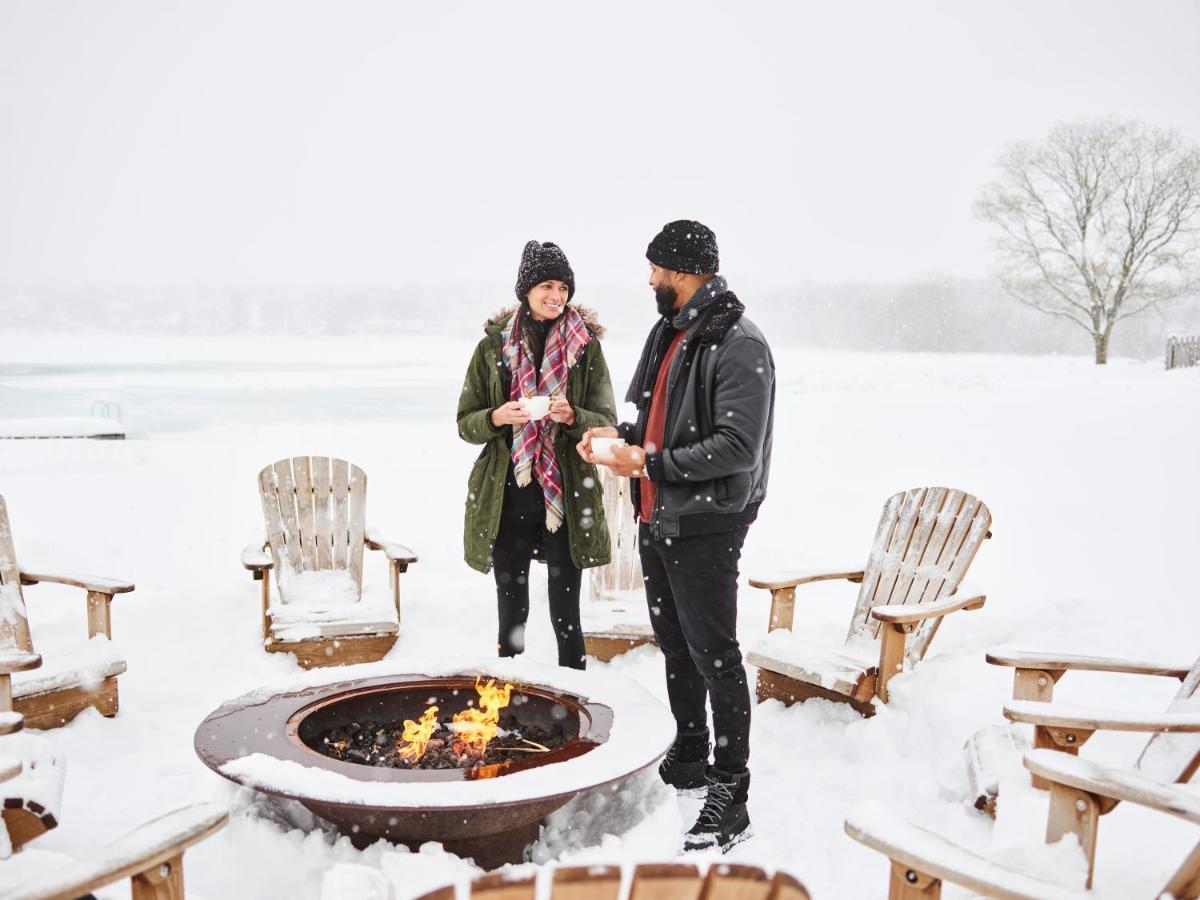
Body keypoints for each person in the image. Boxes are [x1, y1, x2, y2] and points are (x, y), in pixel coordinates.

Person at [578, 220, 775, 852]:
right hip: (658, 515)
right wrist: (614, 441)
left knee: (715, 653)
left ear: (686, 272)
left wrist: (649, 464)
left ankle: (731, 791)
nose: (651, 280)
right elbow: (648, 416)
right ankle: (690, 750)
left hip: (707, 523)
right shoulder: (673, 331)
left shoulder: (738, 342)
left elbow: (737, 449)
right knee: (675, 642)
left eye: (658, 270)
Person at [457, 240, 616, 670]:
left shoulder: (586, 348)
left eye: (563, 287)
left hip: (567, 495)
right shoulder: (494, 349)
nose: (557, 296)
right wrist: (496, 416)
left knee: (567, 616)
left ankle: (578, 699)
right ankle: (507, 697)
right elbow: (465, 423)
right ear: (526, 290)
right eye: (547, 285)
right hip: (507, 496)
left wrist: (573, 415)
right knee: (512, 615)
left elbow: (607, 420)